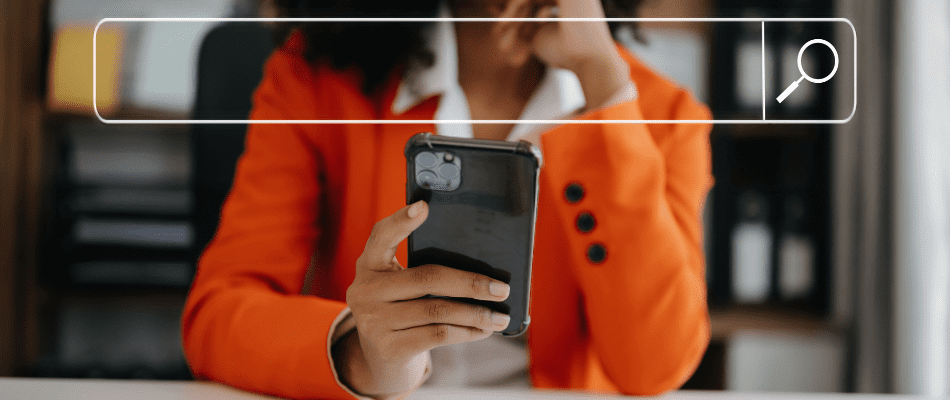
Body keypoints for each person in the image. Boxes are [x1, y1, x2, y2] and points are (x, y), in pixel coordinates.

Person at [181, 0, 713, 399]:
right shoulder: (315, 79)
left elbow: (655, 366)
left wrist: (603, 85)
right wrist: (361, 352)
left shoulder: (659, 115)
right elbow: (217, 313)